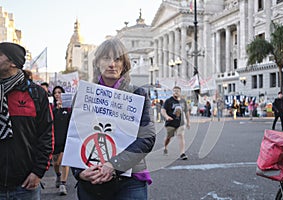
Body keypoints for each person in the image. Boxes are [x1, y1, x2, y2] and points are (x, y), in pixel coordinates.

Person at [71, 38, 156, 200]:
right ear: (97, 63)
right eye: (106, 58)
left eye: (118, 59)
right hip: (91, 177)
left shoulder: (138, 94)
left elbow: (147, 137)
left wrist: (113, 165)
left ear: (125, 64)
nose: (112, 64)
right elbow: (74, 138)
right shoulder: (83, 95)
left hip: (130, 180)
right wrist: (79, 172)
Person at [0, 42, 53, 199]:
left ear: (13, 63)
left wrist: (38, 171)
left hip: (25, 186)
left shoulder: (35, 94)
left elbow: (47, 135)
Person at [161, 86, 190, 160]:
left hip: (180, 123)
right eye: (174, 91)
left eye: (177, 91)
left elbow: (186, 112)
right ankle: (165, 147)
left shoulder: (183, 101)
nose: (176, 92)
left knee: (180, 135)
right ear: (172, 92)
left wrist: (188, 122)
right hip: (170, 122)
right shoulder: (168, 101)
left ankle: (182, 153)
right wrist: (166, 116)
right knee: (168, 137)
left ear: (180, 92)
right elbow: (163, 110)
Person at [52, 86, 71, 195]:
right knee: (56, 163)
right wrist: (57, 109)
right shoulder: (51, 108)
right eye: (55, 93)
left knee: (65, 161)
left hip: (66, 139)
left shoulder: (68, 109)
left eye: (59, 92)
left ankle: (63, 184)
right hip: (55, 139)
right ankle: (58, 175)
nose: (57, 94)